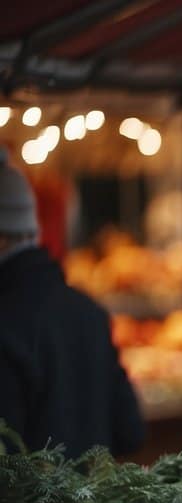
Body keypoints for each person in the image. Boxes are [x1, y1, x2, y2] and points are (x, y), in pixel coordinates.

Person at [0, 149, 144, 456]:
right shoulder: (89, 311)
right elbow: (130, 430)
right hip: (95, 501)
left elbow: (8, 465)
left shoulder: (7, 324)